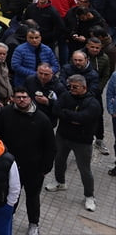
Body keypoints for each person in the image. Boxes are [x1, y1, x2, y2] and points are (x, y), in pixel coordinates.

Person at [0, 88, 55, 235]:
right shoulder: (5, 113)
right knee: (10, 195)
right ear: (13, 98)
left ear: (30, 99)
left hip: (34, 168)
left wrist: (45, 168)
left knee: (32, 197)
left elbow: (50, 146)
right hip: (10, 166)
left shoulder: (42, 119)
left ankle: (33, 223)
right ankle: (8, 218)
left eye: (24, 97)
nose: (21, 100)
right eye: (18, 97)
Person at [45, 73, 101, 212]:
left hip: (82, 141)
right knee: (59, 161)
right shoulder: (66, 95)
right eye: (70, 86)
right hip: (63, 136)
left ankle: (89, 196)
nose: (72, 89)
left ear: (84, 87)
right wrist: (73, 118)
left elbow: (83, 118)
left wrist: (66, 114)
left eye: (75, 87)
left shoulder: (93, 103)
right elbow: (56, 110)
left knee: (84, 169)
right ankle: (60, 182)